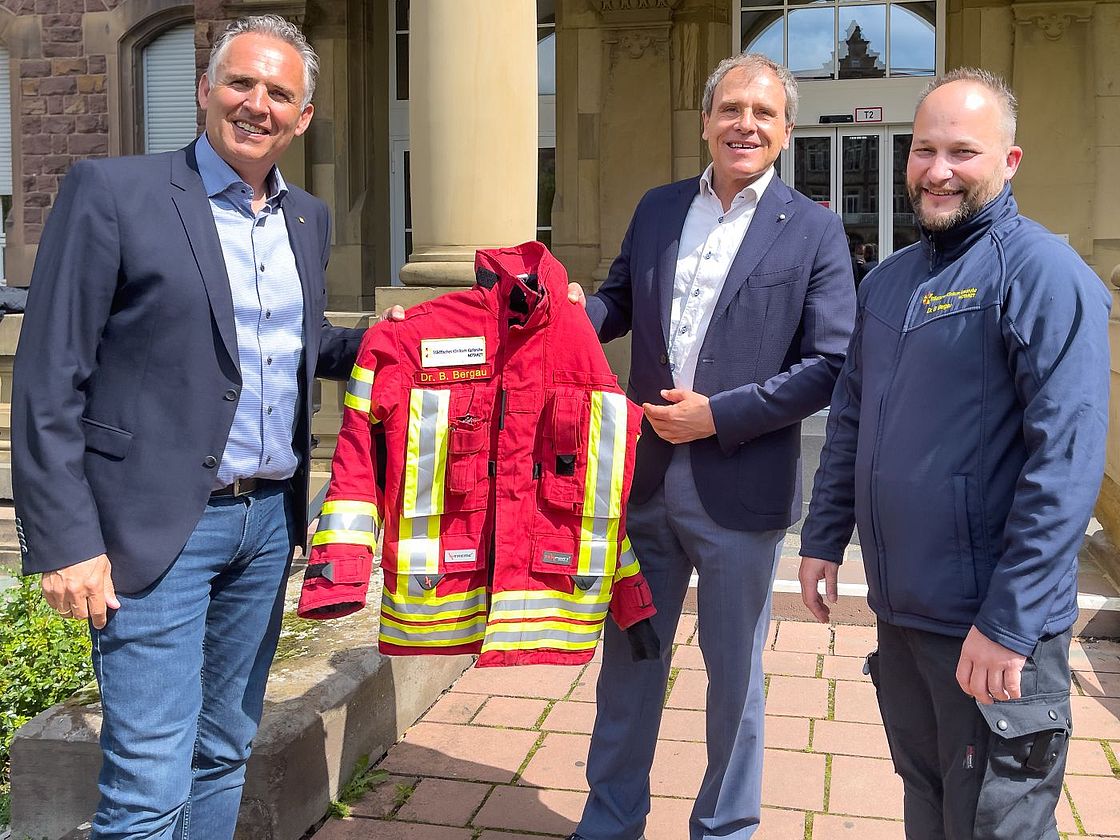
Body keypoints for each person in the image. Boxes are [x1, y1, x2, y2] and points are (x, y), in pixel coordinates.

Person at [11, 15, 362, 839]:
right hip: (156, 525)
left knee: (224, 748)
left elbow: (301, 348)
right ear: (205, 91)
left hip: (268, 523)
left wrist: (435, 336)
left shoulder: (304, 218)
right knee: (147, 779)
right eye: (241, 83)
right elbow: (49, 374)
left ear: (303, 116)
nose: (257, 104)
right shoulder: (113, 191)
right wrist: (63, 540)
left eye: (280, 93)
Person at [798, 68, 1110, 839]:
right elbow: (851, 422)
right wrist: (821, 536)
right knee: (930, 805)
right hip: (903, 617)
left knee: (996, 821)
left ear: (1009, 162)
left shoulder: (1041, 275)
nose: (937, 171)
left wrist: (1009, 622)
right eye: (923, 150)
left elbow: (1064, 463)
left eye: (962, 152)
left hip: (991, 629)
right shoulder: (890, 283)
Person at [566, 53, 856, 840]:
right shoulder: (660, 209)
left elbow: (831, 364)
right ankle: (610, 821)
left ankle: (725, 828)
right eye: (731, 109)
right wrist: (561, 321)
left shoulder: (816, 231)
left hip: (741, 488)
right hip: (646, 484)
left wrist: (719, 415)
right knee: (628, 670)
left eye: (763, 114)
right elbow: (618, 300)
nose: (745, 125)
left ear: (786, 132)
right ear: (704, 121)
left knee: (735, 684)